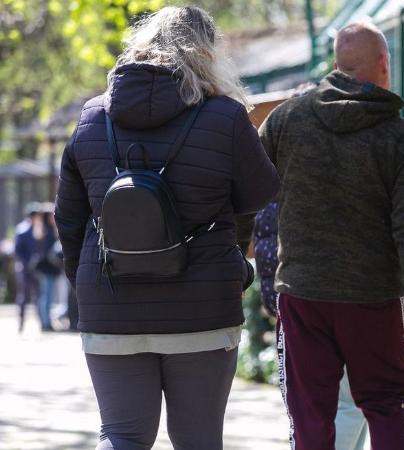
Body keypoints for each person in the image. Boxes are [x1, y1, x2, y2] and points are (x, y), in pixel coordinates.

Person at [54, 6, 279, 450]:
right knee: (198, 439)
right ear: (207, 53)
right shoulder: (225, 118)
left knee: (121, 435)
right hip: (203, 306)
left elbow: (69, 217)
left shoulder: (92, 118)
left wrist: (86, 285)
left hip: (111, 307)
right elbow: (260, 194)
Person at [258, 21, 404, 450]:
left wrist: (238, 262)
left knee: (310, 410)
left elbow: (247, 191)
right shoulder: (402, 138)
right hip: (372, 296)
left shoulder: (285, 120)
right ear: (383, 63)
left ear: (338, 64)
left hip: (302, 294)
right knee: (385, 403)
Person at [252, 202, 369, 450]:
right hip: (340, 300)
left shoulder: (270, 179)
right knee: (348, 404)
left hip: (292, 304)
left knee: (320, 406)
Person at [32, 204, 61, 331]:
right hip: (46, 268)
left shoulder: (48, 229)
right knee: (46, 297)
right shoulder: (44, 230)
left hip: (49, 268)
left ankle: (46, 322)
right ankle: (45, 323)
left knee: (47, 297)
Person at [13, 202, 40, 333]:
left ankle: (40, 322)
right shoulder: (23, 229)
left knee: (36, 295)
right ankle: (21, 323)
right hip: (24, 268)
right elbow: (18, 251)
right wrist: (28, 263)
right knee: (24, 296)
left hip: (33, 267)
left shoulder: (36, 228)